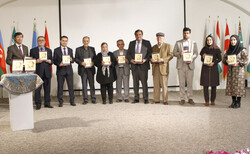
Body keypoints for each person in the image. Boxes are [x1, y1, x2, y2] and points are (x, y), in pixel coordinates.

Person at [173, 27, 198, 105]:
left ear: (190, 34)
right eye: (184, 33)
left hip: (189, 65)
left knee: (190, 83)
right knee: (181, 83)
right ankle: (182, 98)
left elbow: (196, 53)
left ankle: (190, 98)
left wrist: (192, 58)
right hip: (181, 65)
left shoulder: (193, 43)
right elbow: (174, 52)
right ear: (182, 33)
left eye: (187, 33)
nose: (186, 34)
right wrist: (179, 54)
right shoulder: (178, 43)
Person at [126, 29, 152, 104]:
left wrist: (145, 59)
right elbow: (128, 54)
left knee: (144, 83)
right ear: (135, 35)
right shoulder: (131, 43)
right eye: (137, 34)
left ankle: (145, 98)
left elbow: (149, 53)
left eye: (140, 34)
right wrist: (131, 60)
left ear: (142, 35)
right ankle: (136, 98)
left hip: (143, 66)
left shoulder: (147, 43)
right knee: (135, 83)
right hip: (134, 66)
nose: (138, 36)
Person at [222, 35, 248, 109]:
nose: (233, 41)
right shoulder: (229, 50)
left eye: (234, 40)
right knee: (232, 86)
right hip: (231, 71)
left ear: (237, 41)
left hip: (239, 72)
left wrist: (238, 63)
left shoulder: (242, 50)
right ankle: (233, 102)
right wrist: (226, 61)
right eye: (231, 40)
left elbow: (246, 60)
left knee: (239, 86)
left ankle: (238, 102)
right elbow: (224, 60)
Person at [30, 36, 53, 110]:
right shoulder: (33, 50)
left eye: (42, 40)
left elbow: (52, 60)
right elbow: (30, 61)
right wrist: (36, 61)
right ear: (37, 41)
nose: (41, 41)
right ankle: (38, 104)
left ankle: (47, 103)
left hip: (47, 72)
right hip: (38, 72)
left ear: (45, 41)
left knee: (47, 88)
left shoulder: (49, 50)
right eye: (39, 40)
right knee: (37, 89)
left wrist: (50, 61)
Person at [151, 32, 173, 105]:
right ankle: (156, 99)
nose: (159, 39)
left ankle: (165, 100)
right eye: (158, 37)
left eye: (161, 37)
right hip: (155, 68)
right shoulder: (153, 47)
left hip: (163, 68)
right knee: (156, 85)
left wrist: (162, 59)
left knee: (164, 85)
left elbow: (171, 55)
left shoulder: (167, 46)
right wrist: (151, 60)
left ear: (163, 38)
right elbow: (151, 56)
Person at [53, 36, 75, 107]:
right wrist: (59, 64)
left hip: (69, 71)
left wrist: (72, 60)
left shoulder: (70, 50)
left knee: (71, 86)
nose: (64, 42)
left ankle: (72, 101)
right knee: (60, 86)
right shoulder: (56, 50)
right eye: (63, 40)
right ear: (60, 41)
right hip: (60, 71)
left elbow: (73, 60)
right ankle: (60, 101)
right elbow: (54, 60)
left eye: (66, 41)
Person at [200, 35, 222, 106]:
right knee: (205, 86)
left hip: (214, 68)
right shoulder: (204, 49)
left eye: (210, 40)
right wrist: (203, 58)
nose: (209, 41)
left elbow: (220, 58)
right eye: (207, 40)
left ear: (213, 41)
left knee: (214, 85)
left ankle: (212, 100)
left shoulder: (217, 49)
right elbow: (201, 59)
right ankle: (206, 101)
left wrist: (214, 62)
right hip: (205, 69)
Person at [75, 36, 97, 104]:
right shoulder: (78, 49)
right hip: (83, 69)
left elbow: (95, 58)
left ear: (89, 41)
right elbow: (76, 59)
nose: (86, 42)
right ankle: (85, 99)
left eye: (87, 41)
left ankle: (93, 98)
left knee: (91, 84)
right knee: (84, 85)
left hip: (90, 69)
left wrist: (93, 62)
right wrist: (81, 63)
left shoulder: (92, 49)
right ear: (82, 41)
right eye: (84, 41)